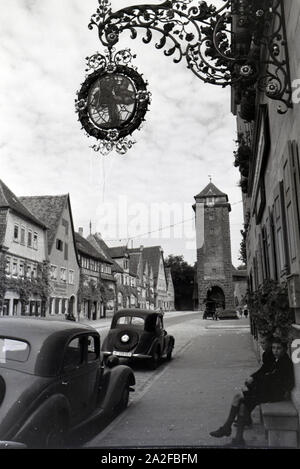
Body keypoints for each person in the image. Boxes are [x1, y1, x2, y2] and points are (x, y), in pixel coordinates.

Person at [209, 336, 294, 447]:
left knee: (238, 397)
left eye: (278, 348)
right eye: (273, 348)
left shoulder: (285, 362)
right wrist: (253, 379)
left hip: (275, 394)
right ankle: (237, 438)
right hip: (269, 391)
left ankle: (227, 427)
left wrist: (254, 384)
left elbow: (272, 379)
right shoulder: (276, 359)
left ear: (285, 349)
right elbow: (265, 372)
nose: (275, 351)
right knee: (243, 403)